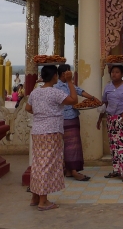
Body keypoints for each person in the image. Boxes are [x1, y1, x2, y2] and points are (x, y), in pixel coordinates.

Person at [25, 64, 77, 210]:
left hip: (37, 131)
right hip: (51, 131)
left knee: (38, 163)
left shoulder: (35, 92)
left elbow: (28, 108)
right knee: (47, 164)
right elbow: (74, 100)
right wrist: (70, 81)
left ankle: (35, 197)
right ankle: (43, 201)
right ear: (54, 76)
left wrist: (41, 114)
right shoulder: (55, 92)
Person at [55, 63, 96, 182]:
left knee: (75, 144)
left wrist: (92, 98)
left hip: (73, 116)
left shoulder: (70, 85)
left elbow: (80, 91)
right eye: (69, 71)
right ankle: (73, 170)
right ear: (64, 73)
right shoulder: (57, 87)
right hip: (64, 118)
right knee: (70, 146)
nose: (71, 73)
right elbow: (73, 100)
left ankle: (69, 170)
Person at [97, 65, 123, 181]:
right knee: (113, 145)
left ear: (122, 74)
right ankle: (116, 170)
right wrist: (100, 118)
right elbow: (104, 103)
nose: (114, 74)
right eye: (112, 72)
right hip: (111, 119)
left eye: (117, 72)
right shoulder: (108, 87)